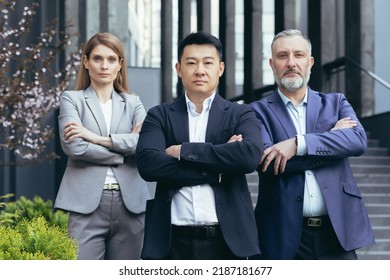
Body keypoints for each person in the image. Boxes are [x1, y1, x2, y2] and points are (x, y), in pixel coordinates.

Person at [136, 31, 263, 260]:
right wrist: (219, 169)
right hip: (171, 242)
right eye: (191, 63)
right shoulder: (159, 115)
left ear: (220, 69)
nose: (200, 70)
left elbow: (249, 156)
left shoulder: (240, 113)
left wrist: (183, 151)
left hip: (227, 242)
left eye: (208, 63)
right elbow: (148, 165)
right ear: (179, 69)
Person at [250, 29, 375, 259]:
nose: (291, 62)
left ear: (310, 62)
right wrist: (332, 145)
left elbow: (357, 141)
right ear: (271, 63)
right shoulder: (256, 111)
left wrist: (298, 144)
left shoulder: (335, 102)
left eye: (298, 55)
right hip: (281, 234)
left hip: (336, 233)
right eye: (282, 56)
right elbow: (268, 163)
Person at [54, 32, 151, 260]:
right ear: (86, 62)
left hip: (131, 205)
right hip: (85, 205)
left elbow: (144, 144)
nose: (104, 66)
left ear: (120, 64)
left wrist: (96, 138)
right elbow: (75, 147)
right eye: (97, 58)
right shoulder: (72, 99)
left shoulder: (133, 102)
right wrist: (122, 153)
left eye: (111, 59)